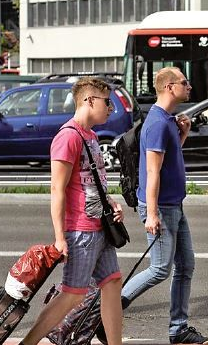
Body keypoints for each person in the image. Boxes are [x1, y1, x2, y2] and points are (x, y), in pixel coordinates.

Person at [21, 77, 125, 344]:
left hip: (100, 227)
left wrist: (111, 202)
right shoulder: (68, 137)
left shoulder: (90, 135)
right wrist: (59, 237)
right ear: (89, 100)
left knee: (112, 283)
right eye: (107, 102)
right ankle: (27, 343)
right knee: (73, 294)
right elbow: (57, 189)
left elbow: (93, 182)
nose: (111, 108)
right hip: (81, 230)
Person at [120, 67, 208, 344]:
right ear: (170, 87)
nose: (190, 87)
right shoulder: (158, 123)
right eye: (185, 82)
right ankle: (110, 307)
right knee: (161, 268)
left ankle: (179, 329)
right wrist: (151, 213)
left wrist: (182, 134)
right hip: (161, 207)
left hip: (175, 205)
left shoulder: (168, 120)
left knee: (186, 266)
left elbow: (169, 160)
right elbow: (152, 172)